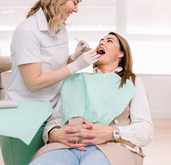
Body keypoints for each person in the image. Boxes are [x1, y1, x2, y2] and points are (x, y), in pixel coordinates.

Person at [30, 32, 153, 165]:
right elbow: (55, 121)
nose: (101, 42)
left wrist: (112, 133)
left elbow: (145, 131)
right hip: (65, 146)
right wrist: (53, 134)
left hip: (112, 147)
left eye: (109, 41)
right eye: (100, 40)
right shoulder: (74, 81)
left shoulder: (131, 82)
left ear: (121, 54)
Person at [7, 0, 100, 107]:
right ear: (58, 0)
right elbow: (33, 83)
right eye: (74, 3)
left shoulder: (59, 27)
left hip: (54, 103)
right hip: (28, 106)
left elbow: (53, 67)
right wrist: (76, 65)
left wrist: (74, 57)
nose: (76, 10)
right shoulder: (27, 31)